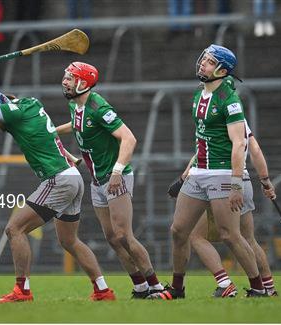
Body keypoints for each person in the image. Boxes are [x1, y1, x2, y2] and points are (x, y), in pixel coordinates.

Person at [0, 53, 116, 303]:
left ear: (1, 108)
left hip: (58, 179)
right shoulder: (29, 106)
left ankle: (22, 291)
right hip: (73, 177)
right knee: (69, 240)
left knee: (14, 228)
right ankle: (103, 290)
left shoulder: (15, 114)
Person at [150, 44, 268, 300]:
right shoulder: (198, 95)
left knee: (230, 235)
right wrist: (186, 174)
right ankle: (177, 289)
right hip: (199, 173)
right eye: (203, 58)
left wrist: (237, 183)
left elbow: (240, 144)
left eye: (210, 61)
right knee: (178, 231)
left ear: (222, 70)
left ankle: (258, 288)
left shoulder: (230, 100)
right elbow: (203, 139)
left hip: (223, 173)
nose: (203, 63)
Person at [55, 62, 165, 299]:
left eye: (69, 78)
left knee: (125, 235)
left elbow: (129, 138)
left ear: (83, 83)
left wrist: (117, 171)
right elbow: (76, 125)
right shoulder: (75, 104)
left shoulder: (98, 106)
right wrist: (53, 131)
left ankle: (157, 286)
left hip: (116, 178)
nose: (64, 81)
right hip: (97, 180)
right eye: (65, 77)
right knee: (113, 239)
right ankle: (140, 287)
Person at [168, 121, 278, 297]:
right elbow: (254, 150)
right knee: (248, 239)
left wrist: (183, 179)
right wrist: (265, 181)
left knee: (196, 235)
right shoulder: (237, 119)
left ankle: (224, 283)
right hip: (242, 180)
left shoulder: (222, 114)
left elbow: (201, 155)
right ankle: (268, 287)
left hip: (221, 181)